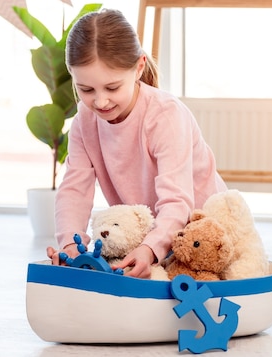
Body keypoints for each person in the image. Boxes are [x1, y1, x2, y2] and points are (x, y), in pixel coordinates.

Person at [46, 8, 227, 278]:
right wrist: (71, 244)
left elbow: (177, 200)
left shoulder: (165, 115)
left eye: (112, 87)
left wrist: (150, 248)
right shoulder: (84, 121)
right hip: (149, 235)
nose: (100, 101)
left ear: (139, 67)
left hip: (201, 233)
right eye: (86, 90)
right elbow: (74, 190)